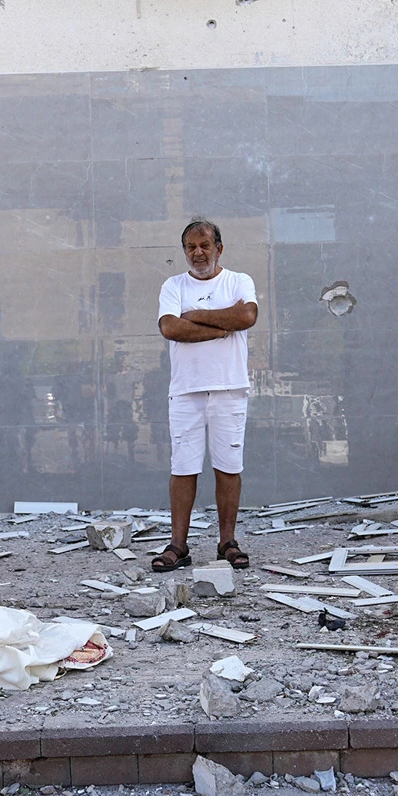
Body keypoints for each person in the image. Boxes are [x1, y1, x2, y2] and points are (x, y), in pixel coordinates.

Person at [153, 220, 258, 572]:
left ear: (219, 248)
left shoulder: (239, 281)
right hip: (185, 390)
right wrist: (222, 327)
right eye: (191, 247)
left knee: (228, 466)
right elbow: (170, 327)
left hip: (229, 387)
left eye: (205, 245)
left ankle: (227, 542)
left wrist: (196, 317)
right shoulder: (173, 285)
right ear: (184, 251)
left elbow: (247, 315)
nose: (198, 253)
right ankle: (178, 545)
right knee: (183, 467)